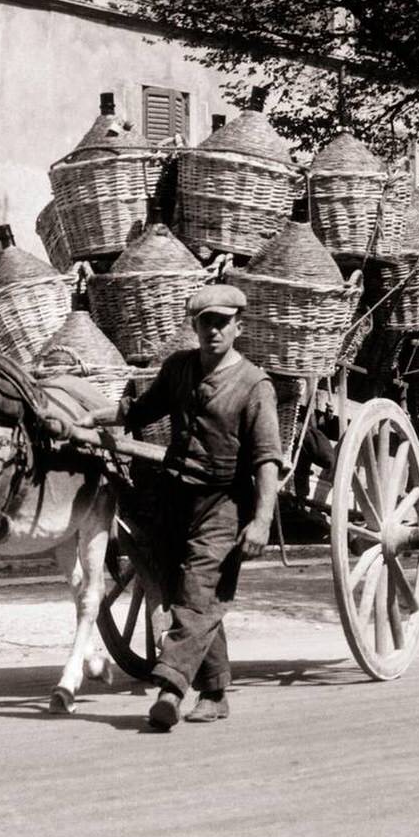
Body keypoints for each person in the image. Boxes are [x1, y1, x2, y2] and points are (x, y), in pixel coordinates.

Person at [77, 283, 285, 729]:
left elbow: (267, 459)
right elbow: (142, 410)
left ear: (238, 328)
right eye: (205, 322)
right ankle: (215, 691)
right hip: (175, 498)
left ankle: (171, 689)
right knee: (183, 591)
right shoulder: (178, 369)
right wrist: (99, 418)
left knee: (195, 591)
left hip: (225, 503)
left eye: (222, 323)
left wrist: (262, 521)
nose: (214, 331)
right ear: (194, 327)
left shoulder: (254, 386)